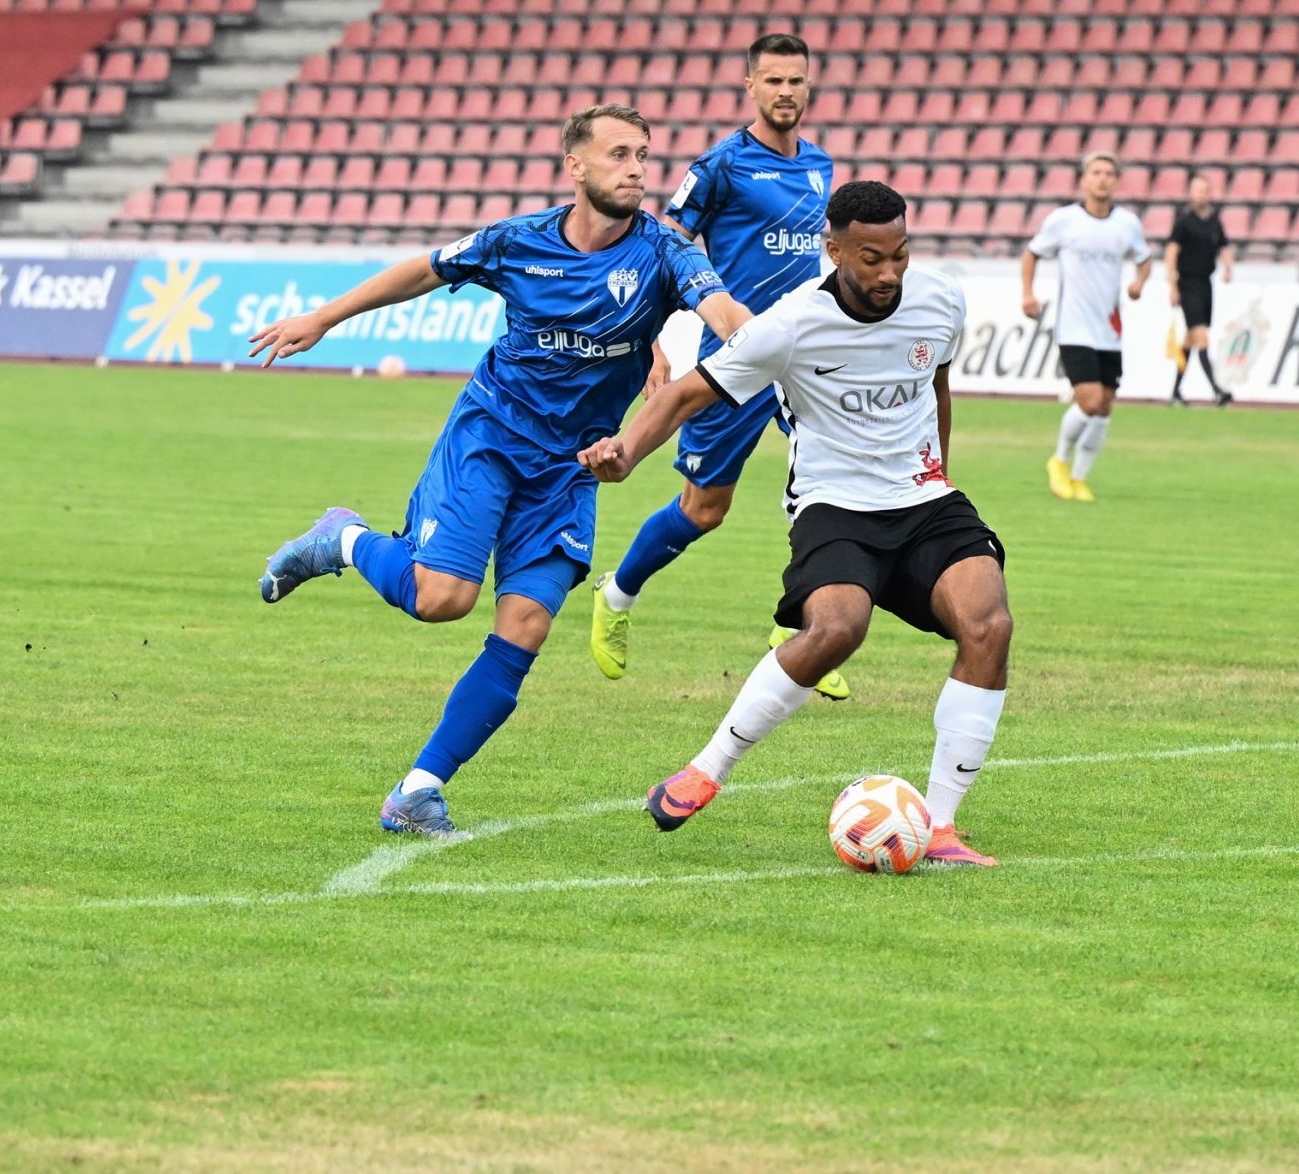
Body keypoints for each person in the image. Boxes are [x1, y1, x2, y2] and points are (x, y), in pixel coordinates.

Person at [247, 105, 750, 836]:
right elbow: (422, 271)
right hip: (491, 436)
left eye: (643, 154)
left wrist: (759, 340)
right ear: (575, 166)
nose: (638, 168)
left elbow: (723, 309)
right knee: (442, 599)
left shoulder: (667, 251)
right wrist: (324, 319)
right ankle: (343, 539)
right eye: (618, 155)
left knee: (526, 625)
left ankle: (417, 791)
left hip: (569, 467)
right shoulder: (517, 242)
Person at [578, 181, 1008, 868]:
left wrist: (941, 474)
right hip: (834, 505)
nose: (889, 273)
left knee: (990, 625)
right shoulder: (788, 325)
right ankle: (706, 768)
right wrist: (626, 453)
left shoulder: (940, 300)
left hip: (925, 500)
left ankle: (944, 830)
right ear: (833, 250)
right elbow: (689, 392)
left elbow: (938, 385)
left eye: (899, 255)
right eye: (871, 258)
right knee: (837, 629)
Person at [590, 33, 848, 699]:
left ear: (809, 85)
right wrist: (650, 335)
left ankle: (809, 625)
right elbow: (664, 244)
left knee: (837, 483)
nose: (785, 92)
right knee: (705, 510)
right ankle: (615, 597)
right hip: (733, 360)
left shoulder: (821, 165)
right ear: (750, 86)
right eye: (773, 81)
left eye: (796, 80)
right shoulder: (720, 166)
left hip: (801, 357)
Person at [1022, 151, 1151, 503]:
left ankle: (1078, 479)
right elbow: (1032, 253)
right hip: (1074, 327)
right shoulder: (1064, 221)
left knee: (1106, 405)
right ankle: (1059, 461)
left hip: (1110, 328)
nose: (1103, 178)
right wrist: (1028, 294)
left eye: (1109, 172)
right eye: (1096, 172)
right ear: (1083, 180)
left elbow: (1144, 258)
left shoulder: (1127, 224)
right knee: (1090, 400)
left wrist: (1140, 282)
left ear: (1117, 180)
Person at [1165, 174, 1235, 408]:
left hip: (1205, 284)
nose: (1200, 195)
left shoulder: (1215, 221)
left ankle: (1175, 392)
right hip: (1187, 283)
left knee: (1190, 339)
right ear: (1190, 193)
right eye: (1196, 190)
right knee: (1201, 336)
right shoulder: (1184, 221)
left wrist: (1228, 268)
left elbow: (1224, 246)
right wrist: (1173, 285)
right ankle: (1216, 390)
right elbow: (1171, 253)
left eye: (1204, 191)